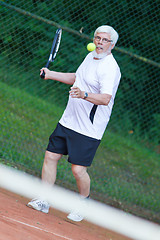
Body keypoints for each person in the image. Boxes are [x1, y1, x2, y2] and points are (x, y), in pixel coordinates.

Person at [27, 25, 121, 222]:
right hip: (68, 119)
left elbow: (105, 98)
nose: (100, 43)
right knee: (51, 156)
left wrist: (84, 94)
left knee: (78, 170)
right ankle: (44, 199)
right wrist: (51, 74)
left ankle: (84, 203)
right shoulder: (90, 57)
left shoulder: (110, 68)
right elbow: (77, 78)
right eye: (98, 38)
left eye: (105, 40)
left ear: (112, 45)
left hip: (89, 127)